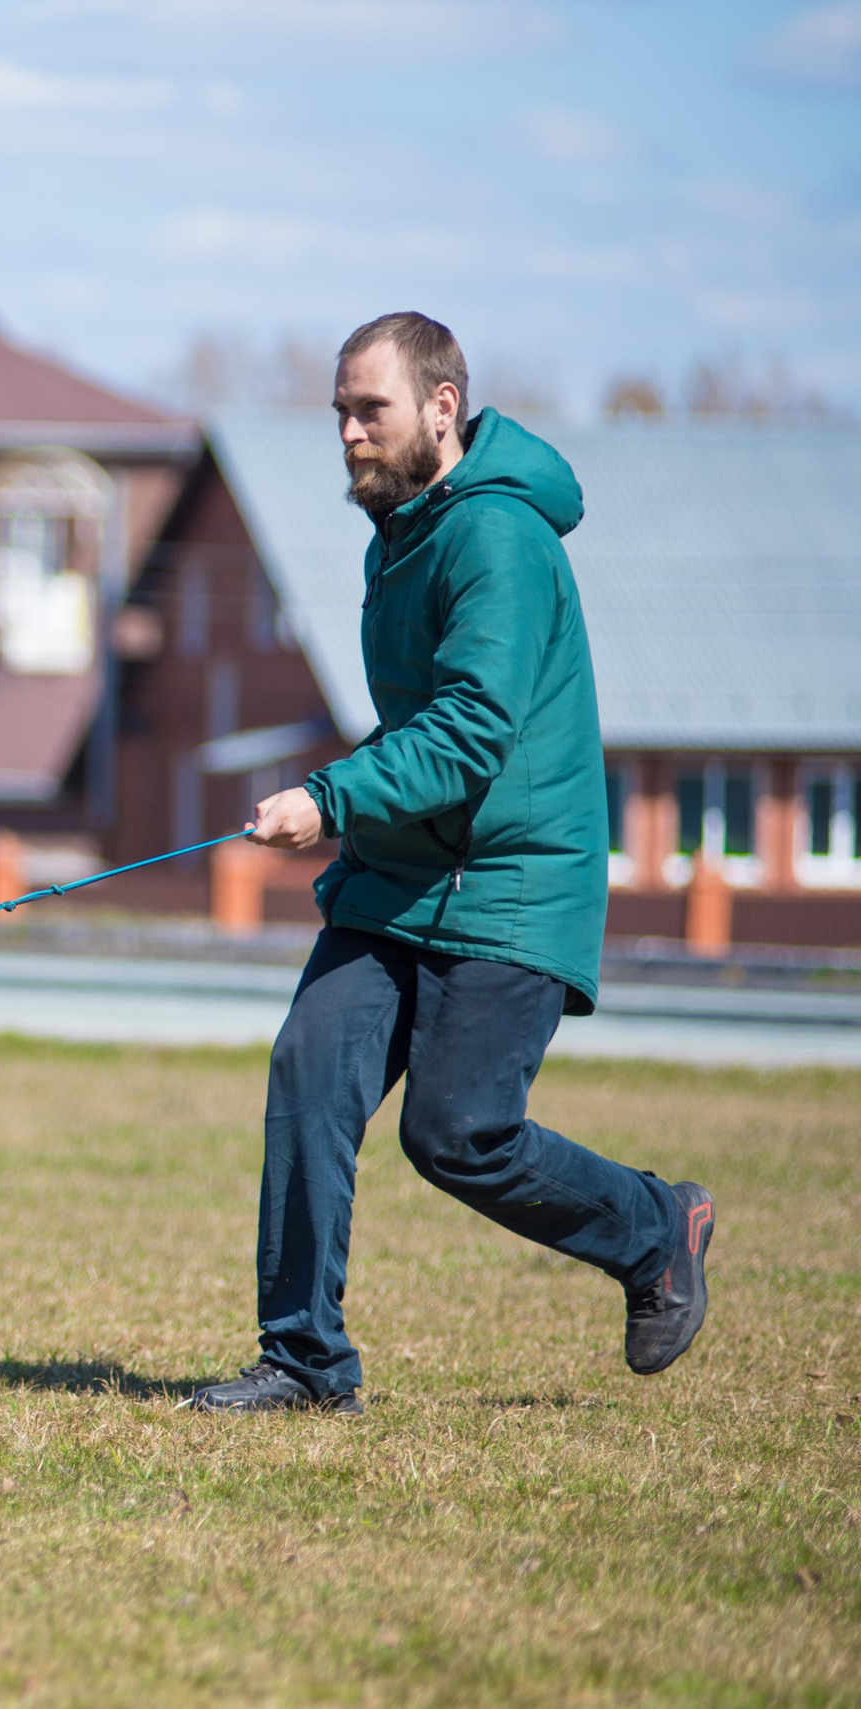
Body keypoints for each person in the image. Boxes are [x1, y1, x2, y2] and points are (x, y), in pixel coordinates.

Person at [185, 312, 714, 1416]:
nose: (346, 433)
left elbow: (473, 728)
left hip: (513, 881)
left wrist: (327, 797)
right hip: (404, 876)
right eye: (337, 411)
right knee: (309, 1072)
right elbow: (421, 721)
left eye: (366, 409)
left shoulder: (496, 538)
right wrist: (350, 806)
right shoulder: (401, 530)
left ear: (440, 406)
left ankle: (655, 1226)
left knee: (458, 1131)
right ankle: (304, 1361)